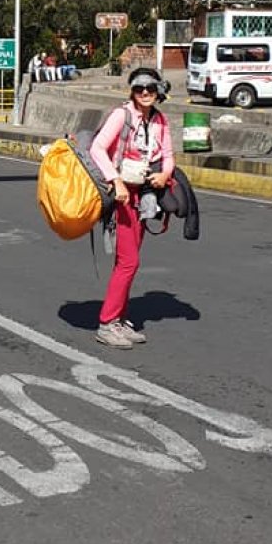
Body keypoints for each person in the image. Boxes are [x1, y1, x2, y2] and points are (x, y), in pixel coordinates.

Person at [89, 66, 175, 349]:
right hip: (123, 195)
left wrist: (164, 175)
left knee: (127, 259)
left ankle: (120, 319)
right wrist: (116, 182)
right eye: (140, 89)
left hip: (146, 194)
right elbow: (97, 148)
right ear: (133, 92)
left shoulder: (159, 120)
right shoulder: (122, 115)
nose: (146, 93)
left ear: (159, 90)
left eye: (151, 88)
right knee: (129, 262)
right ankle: (107, 322)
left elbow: (169, 155)